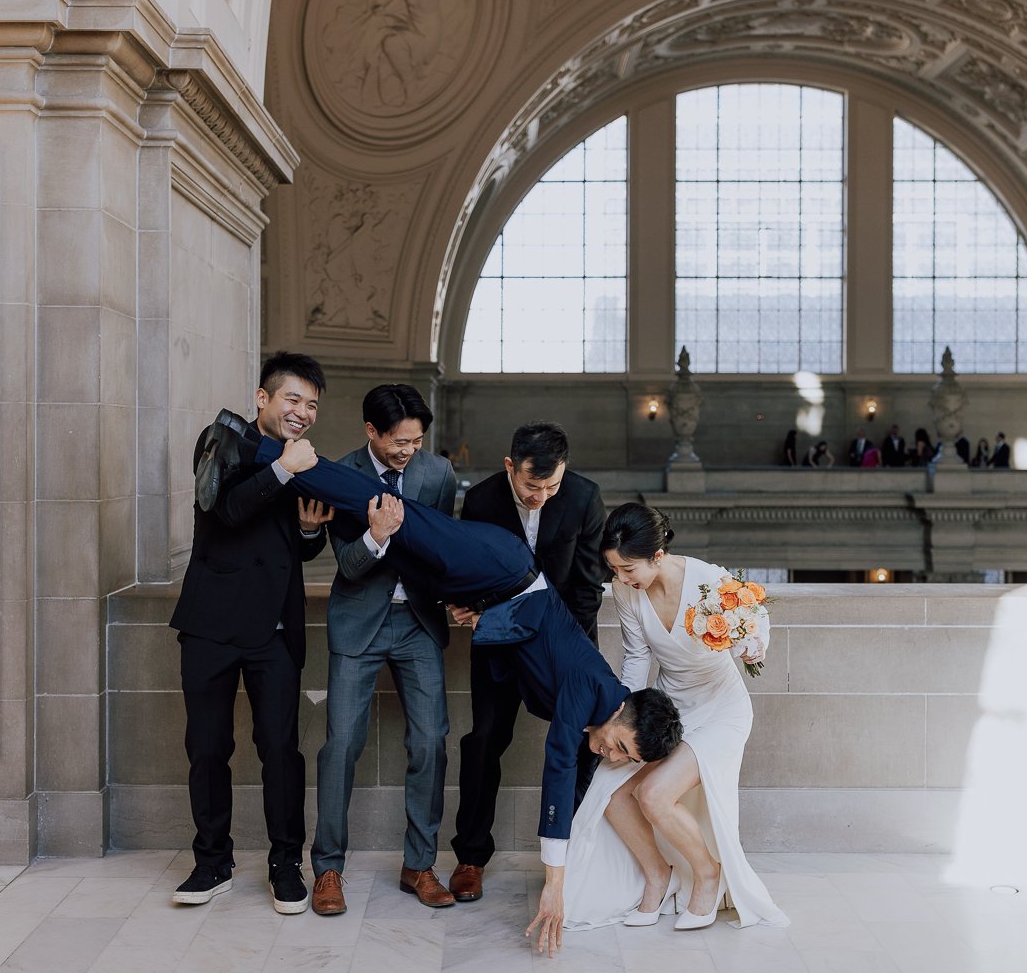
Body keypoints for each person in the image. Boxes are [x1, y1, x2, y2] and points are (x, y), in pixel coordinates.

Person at [243, 430, 682, 957]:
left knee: (391, 533)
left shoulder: (604, 713)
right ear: (626, 714)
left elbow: (578, 777)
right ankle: (261, 450)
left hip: (495, 592)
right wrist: (554, 887)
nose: (612, 755)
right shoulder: (590, 695)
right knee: (391, 512)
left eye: (621, 758)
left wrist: (486, 616)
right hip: (502, 569)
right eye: (622, 747)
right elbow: (558, 766)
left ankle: (265, 462)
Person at [561, 504, 790, 933]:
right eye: (614, 569)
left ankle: (707, 872)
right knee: (613, 795)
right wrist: (622, 715)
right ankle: (657, 874)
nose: (622, 579)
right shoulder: (627, 592)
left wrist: (751, 646)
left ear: (657, 556)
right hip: (670, 709)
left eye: (628, 569)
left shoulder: (709, 581)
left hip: (721, 710)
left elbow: (755, 624)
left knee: (653, 795)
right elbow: (636, 657)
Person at [168, 352, 334, 913]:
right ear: (263, 398)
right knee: (207, 748)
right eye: (293, 399)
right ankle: (211, 862)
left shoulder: (298, 460)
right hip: (211, 623)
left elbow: (290, 547)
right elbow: (227, 512)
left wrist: (310, 532)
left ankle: (286, 864)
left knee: (281, 751)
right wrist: (285, 469)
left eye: (312, 404)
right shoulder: (220, 441)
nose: (303, 412)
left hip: (276, 628)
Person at [310, 385, 458, 916]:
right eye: (399, 441)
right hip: (359, 625)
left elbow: (440, 549)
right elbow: (347, 566)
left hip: (418, 623)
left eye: (417, 441)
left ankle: (419, 864)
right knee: (341, 746)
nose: (408, 451)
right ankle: (328, 868)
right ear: (371, 432)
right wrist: (375, 537)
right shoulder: (339, 473)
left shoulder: (438, 475)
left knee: (431, 743)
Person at [451, 422, 606, 903]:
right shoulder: (481, 501)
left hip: (564, 646)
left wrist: (562, 653)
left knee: (584, 745)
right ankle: (471, 857)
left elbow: (585, 590)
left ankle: (576, 853)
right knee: (484, 741)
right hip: (498, 644)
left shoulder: (584, 498)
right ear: (509, 467)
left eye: (552, 485)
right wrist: (468, 607)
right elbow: (469, 571)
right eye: (531, 485)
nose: (541, 495)